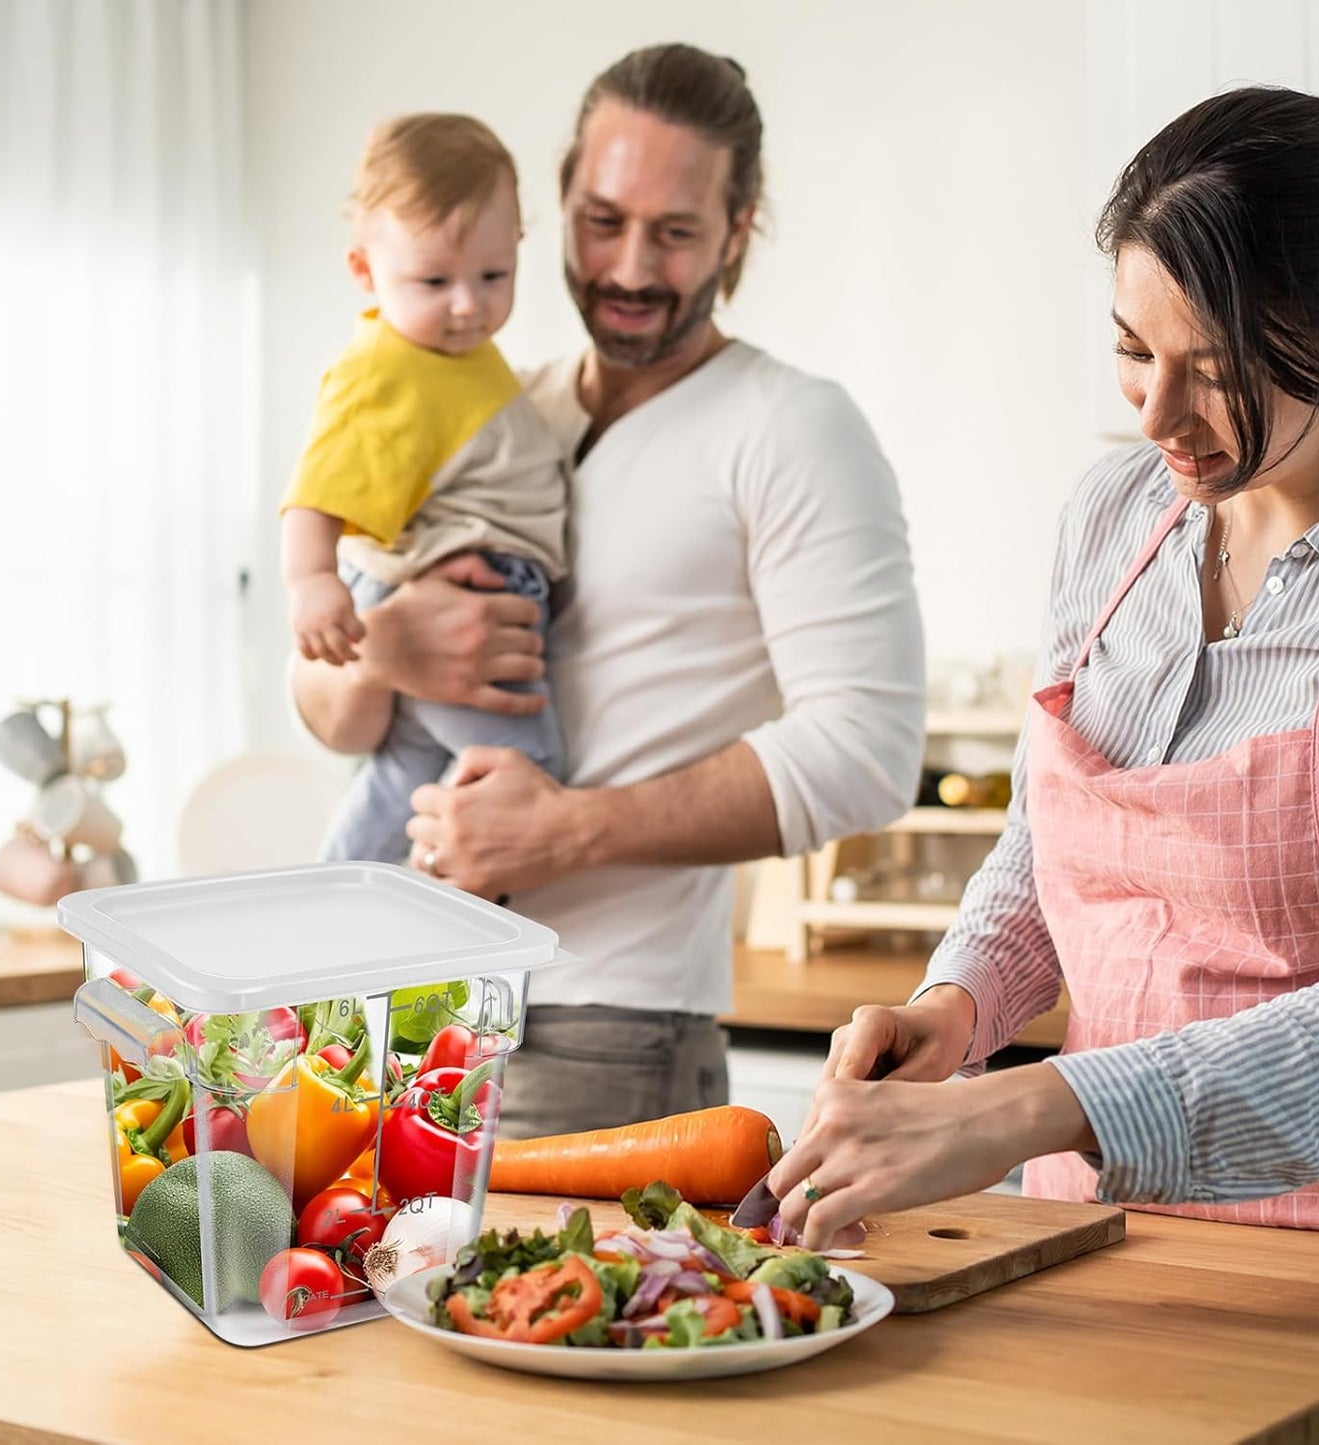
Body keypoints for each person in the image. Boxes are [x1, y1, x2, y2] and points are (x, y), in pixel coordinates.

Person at [770, 85, 1319, 1249]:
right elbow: (1048, 845)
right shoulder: (1112, 517)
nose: (1156, 416)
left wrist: (1023, 1105)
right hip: (1093, 1236)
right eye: (1133, 351)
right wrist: (957, 1004)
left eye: (1219, 368)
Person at [292, 44, 927, 1135]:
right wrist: (387, 650)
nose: (630, 265)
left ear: (739, 227)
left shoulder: (792, 428)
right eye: (600, 220)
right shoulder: (501, 412)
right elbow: (327, 707)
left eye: (675, 231)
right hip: (405, 1009)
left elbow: (868, 751)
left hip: (604, 1028)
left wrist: (565, 831)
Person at [281, 113, 567, 864]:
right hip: (456, 592)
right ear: (365, 272)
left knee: (405, 778)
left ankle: (334, 911)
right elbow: (319, 486)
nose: (467, 304)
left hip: (463, 589)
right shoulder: (384, 367)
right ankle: (419, 937)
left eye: (493, 276)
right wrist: (311, 580)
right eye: (434, 280)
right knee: (528, 774)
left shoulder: (455, 359)